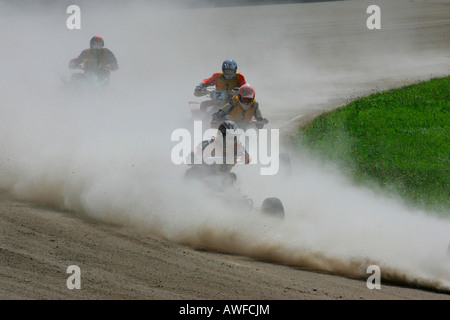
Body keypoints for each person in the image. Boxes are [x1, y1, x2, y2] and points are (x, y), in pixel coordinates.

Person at [186, 120, 250, 183]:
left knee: (233, 177)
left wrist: (241, 156)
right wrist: (194, 157)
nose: (231, 140)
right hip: (204, 176)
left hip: (223, 178)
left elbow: (247, 160)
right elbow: (189, 159)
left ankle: (230, 192)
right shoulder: (207, 144)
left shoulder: (238, 147)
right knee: (192, 172)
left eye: (234, 137)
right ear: (220, 135)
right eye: (229, 137)